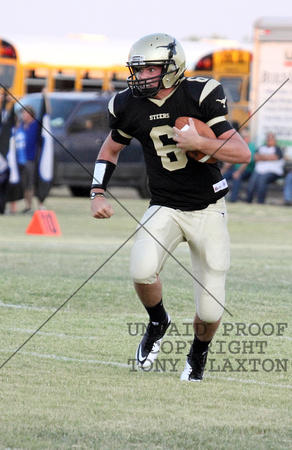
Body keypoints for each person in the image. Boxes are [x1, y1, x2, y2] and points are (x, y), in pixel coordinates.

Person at [90, 33, 250, 382]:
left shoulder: (201, 93)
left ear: (171, 67)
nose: (142, 76)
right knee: (141, 269)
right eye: (138, 68)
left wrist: (200, 142)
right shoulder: (128, 104)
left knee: (209, 308)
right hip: (164, 205)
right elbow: (109, 151)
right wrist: (97, 192)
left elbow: (241, 153)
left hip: (208, 207)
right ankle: (158, 321)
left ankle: (198, 353)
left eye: (149, 68)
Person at [246, 132, 284, 204]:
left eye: (271, 138)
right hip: (259, 170)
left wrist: (262, 157)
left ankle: (260, 201)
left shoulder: (277, 148)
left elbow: (275, 157)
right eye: (268, 138)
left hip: (272, 171)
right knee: (252, 180)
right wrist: (268, 157)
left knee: (262, 179)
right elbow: (255, 158)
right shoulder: (261, 148)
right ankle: (249, 200)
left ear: (274, 140)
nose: (269, 140)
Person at [221, 128, 256, 202]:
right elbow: (232, 159)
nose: (242, 138)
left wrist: (238, 172)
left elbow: (247, 162)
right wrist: (223, 170)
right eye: (241, 136)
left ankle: (233, 198)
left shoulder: (251, 146)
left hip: (247, 170)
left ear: (248, 138)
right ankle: (220, 196)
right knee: (223, 177)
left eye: (244, 137)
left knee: (237, 177)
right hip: (236, 169)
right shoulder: (239, 146)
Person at [20, 105, 39, 213]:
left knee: (30, 183)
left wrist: (45, 98)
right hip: (22, 159)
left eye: (25, 113)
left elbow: (46, 114)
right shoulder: (22, 126)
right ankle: (26, 206)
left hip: (31, 159)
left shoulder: (36, 125)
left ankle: (30, 206)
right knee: (24, 183)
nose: (23, 115)